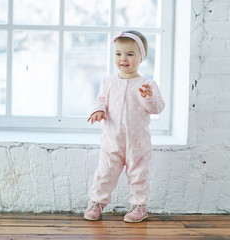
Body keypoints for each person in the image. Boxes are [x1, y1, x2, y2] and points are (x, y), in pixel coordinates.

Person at [84, 30, 165, 223]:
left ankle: (138, 207)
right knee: (104, 173)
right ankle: (96, 203)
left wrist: (149, 97)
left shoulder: (147, 84)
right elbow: (101, 99)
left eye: (130, 54)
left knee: (138, 175)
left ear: (141, 57)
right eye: (119, 54)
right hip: (112, 140)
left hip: (138, 142)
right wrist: (98, 110)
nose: (123, 59)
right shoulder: (108, 82)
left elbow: (157, 108)